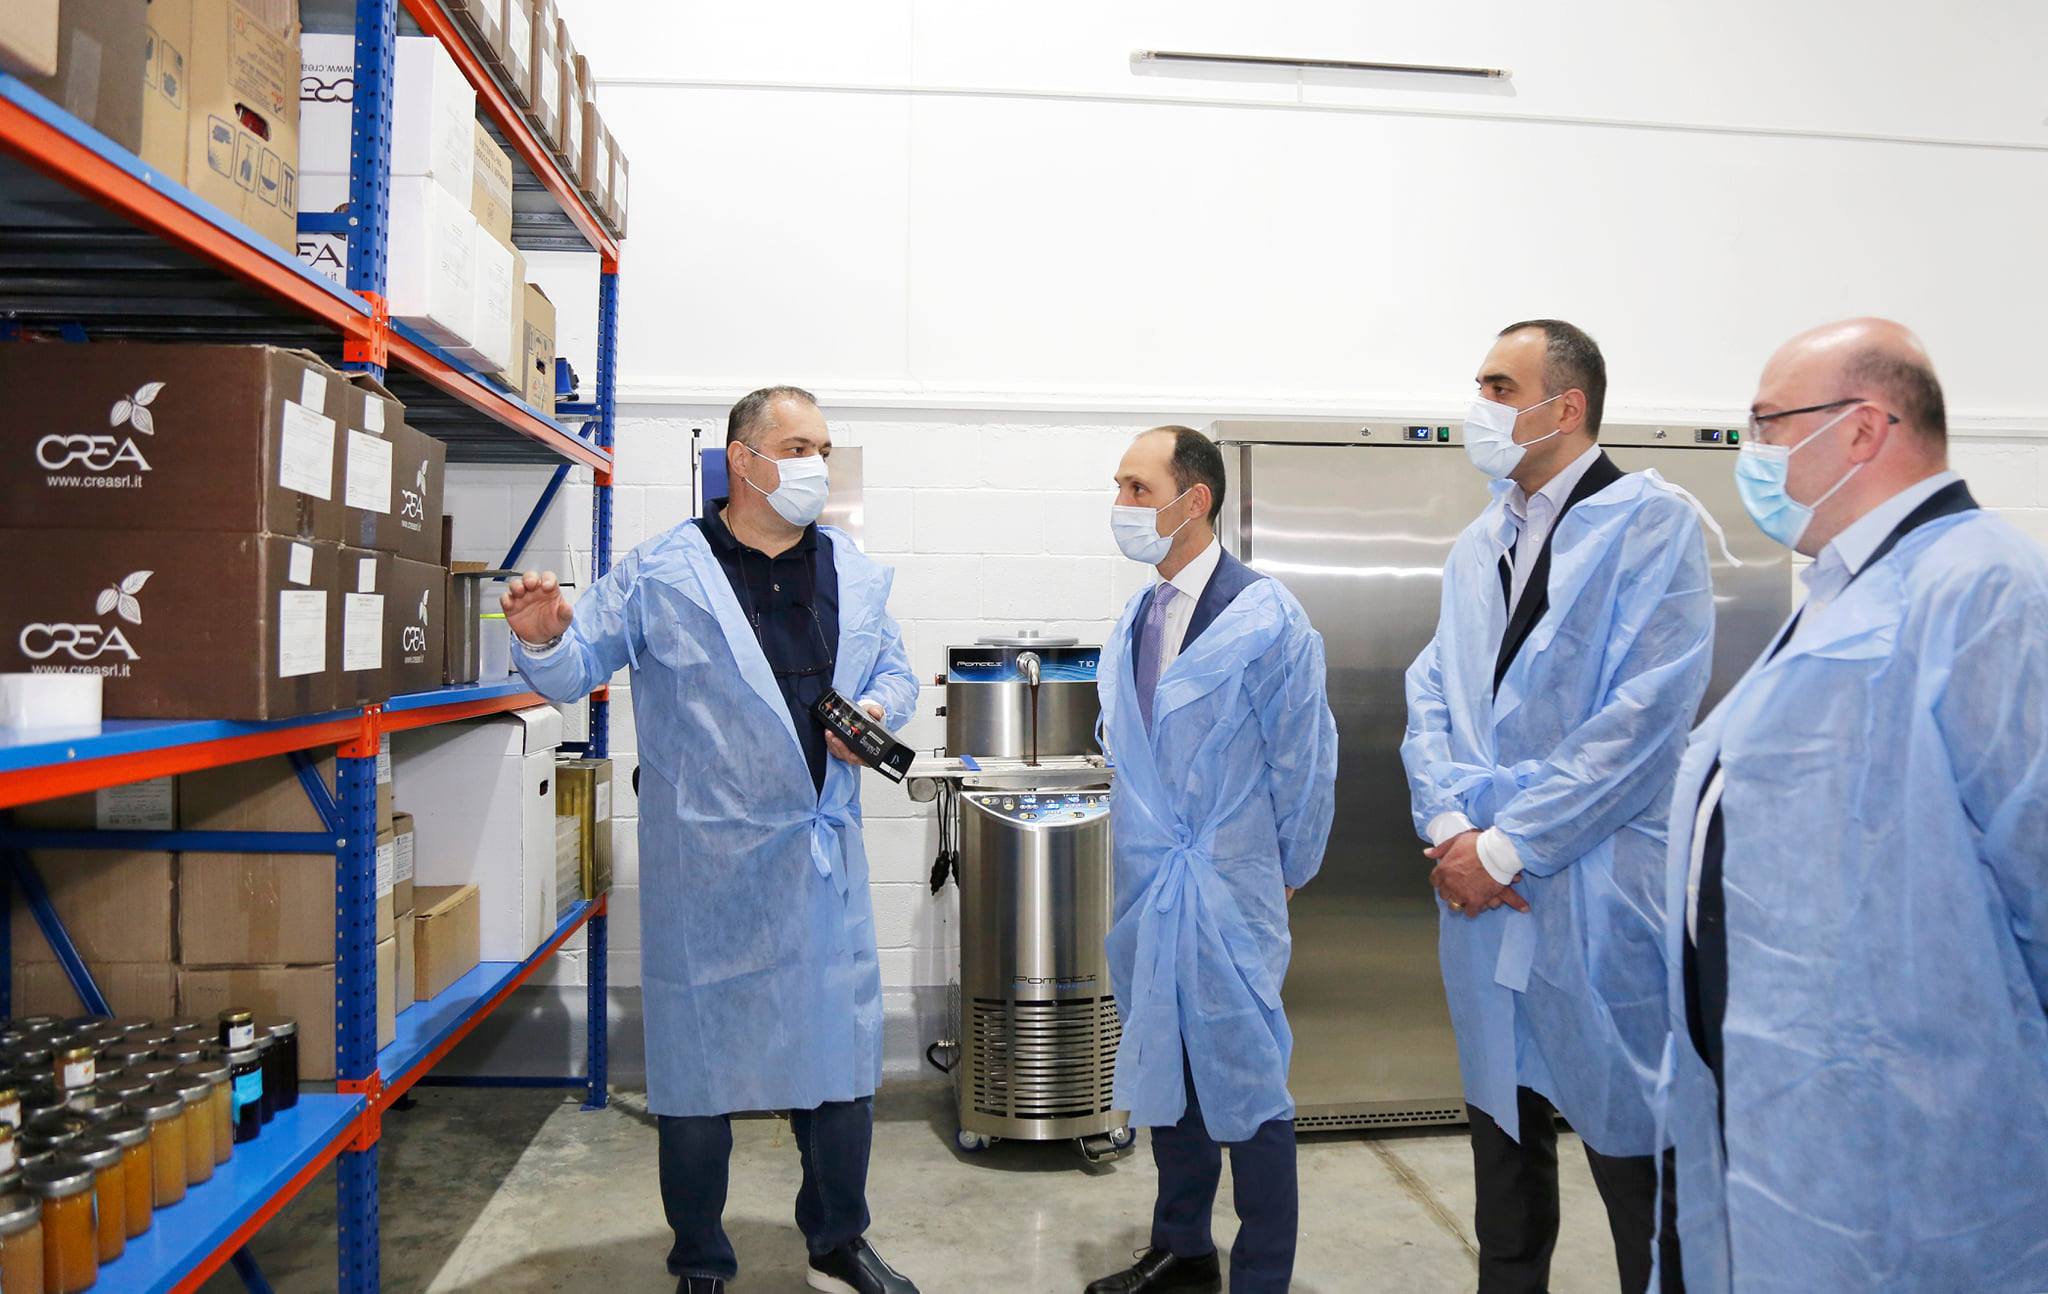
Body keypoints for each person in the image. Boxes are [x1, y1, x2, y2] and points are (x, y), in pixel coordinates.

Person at [502, 386, 921, 1294]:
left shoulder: (852, 571)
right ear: (743, 458)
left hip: (820, 863)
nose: (817, 465)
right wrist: (542, 643)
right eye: (798, 448)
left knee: (839, 1063)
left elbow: (895, 669)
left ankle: (837, 1238)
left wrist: (880, 708)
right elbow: (577, 667)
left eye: (824, 450)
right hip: (711, 872)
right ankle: (699, 1259)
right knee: (699, 1075)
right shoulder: (663, 572)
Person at [1661, 319, 2048, 1292]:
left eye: (1766, 423)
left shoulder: (1987, 590)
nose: (1751, 450)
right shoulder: (1846, 586)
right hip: (1795, 1101)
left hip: (1916, 1127)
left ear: (1864, 428)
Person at [1402, 320, 1715, 1293]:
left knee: (1634, 1153)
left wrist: (1505, 848)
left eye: (1500, 386)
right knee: (1501, 1140)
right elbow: (1430, 692)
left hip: (1594, 888)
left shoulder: (1650, 525)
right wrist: (1451, 827)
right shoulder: (1477, 542)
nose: (1479, 406)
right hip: (1474, 882)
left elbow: (1642, 721)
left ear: (1566, 406)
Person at [1085, 426, 1338, 1294]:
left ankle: (1261, 1272)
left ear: (1195, 502)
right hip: (1151, 887)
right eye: (1119, 487)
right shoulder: (1137, 618)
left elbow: (1305, 760)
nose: (1121, 505)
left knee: (1247, 1078)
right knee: (1168, 1064)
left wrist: (1287, 869)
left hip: (1232, 888)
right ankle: (1182, 1248)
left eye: (1138, 489)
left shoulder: (1267, 618)